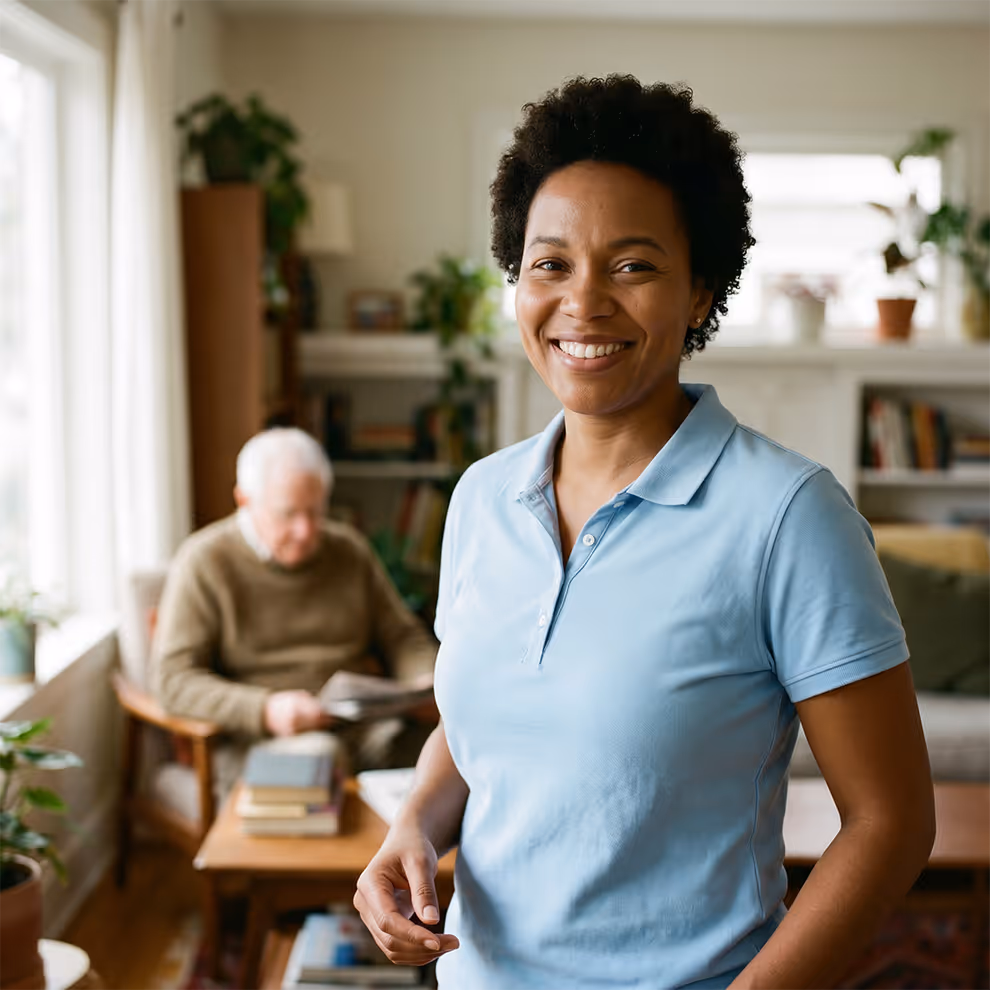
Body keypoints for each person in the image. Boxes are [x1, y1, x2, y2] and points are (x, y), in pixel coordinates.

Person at [354, 76, 935, 990]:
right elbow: (479, 726)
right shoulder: (480, 499)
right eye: (550, 264)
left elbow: (891, 821)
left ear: (701, 290)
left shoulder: (789, 517)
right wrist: (413, 829)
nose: (583, 304)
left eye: (632, 266)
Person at [152, 427, 438, 793]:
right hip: (257, 740)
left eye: (316, 512)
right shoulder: (205, 561)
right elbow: (173, 680)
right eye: (288, 514)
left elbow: (402, 636)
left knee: (448, 747)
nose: (305, 531)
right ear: (244, 500)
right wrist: (265, 709)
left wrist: (424, 678)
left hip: (359, 727)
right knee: (318, 759)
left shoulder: (348, 550)